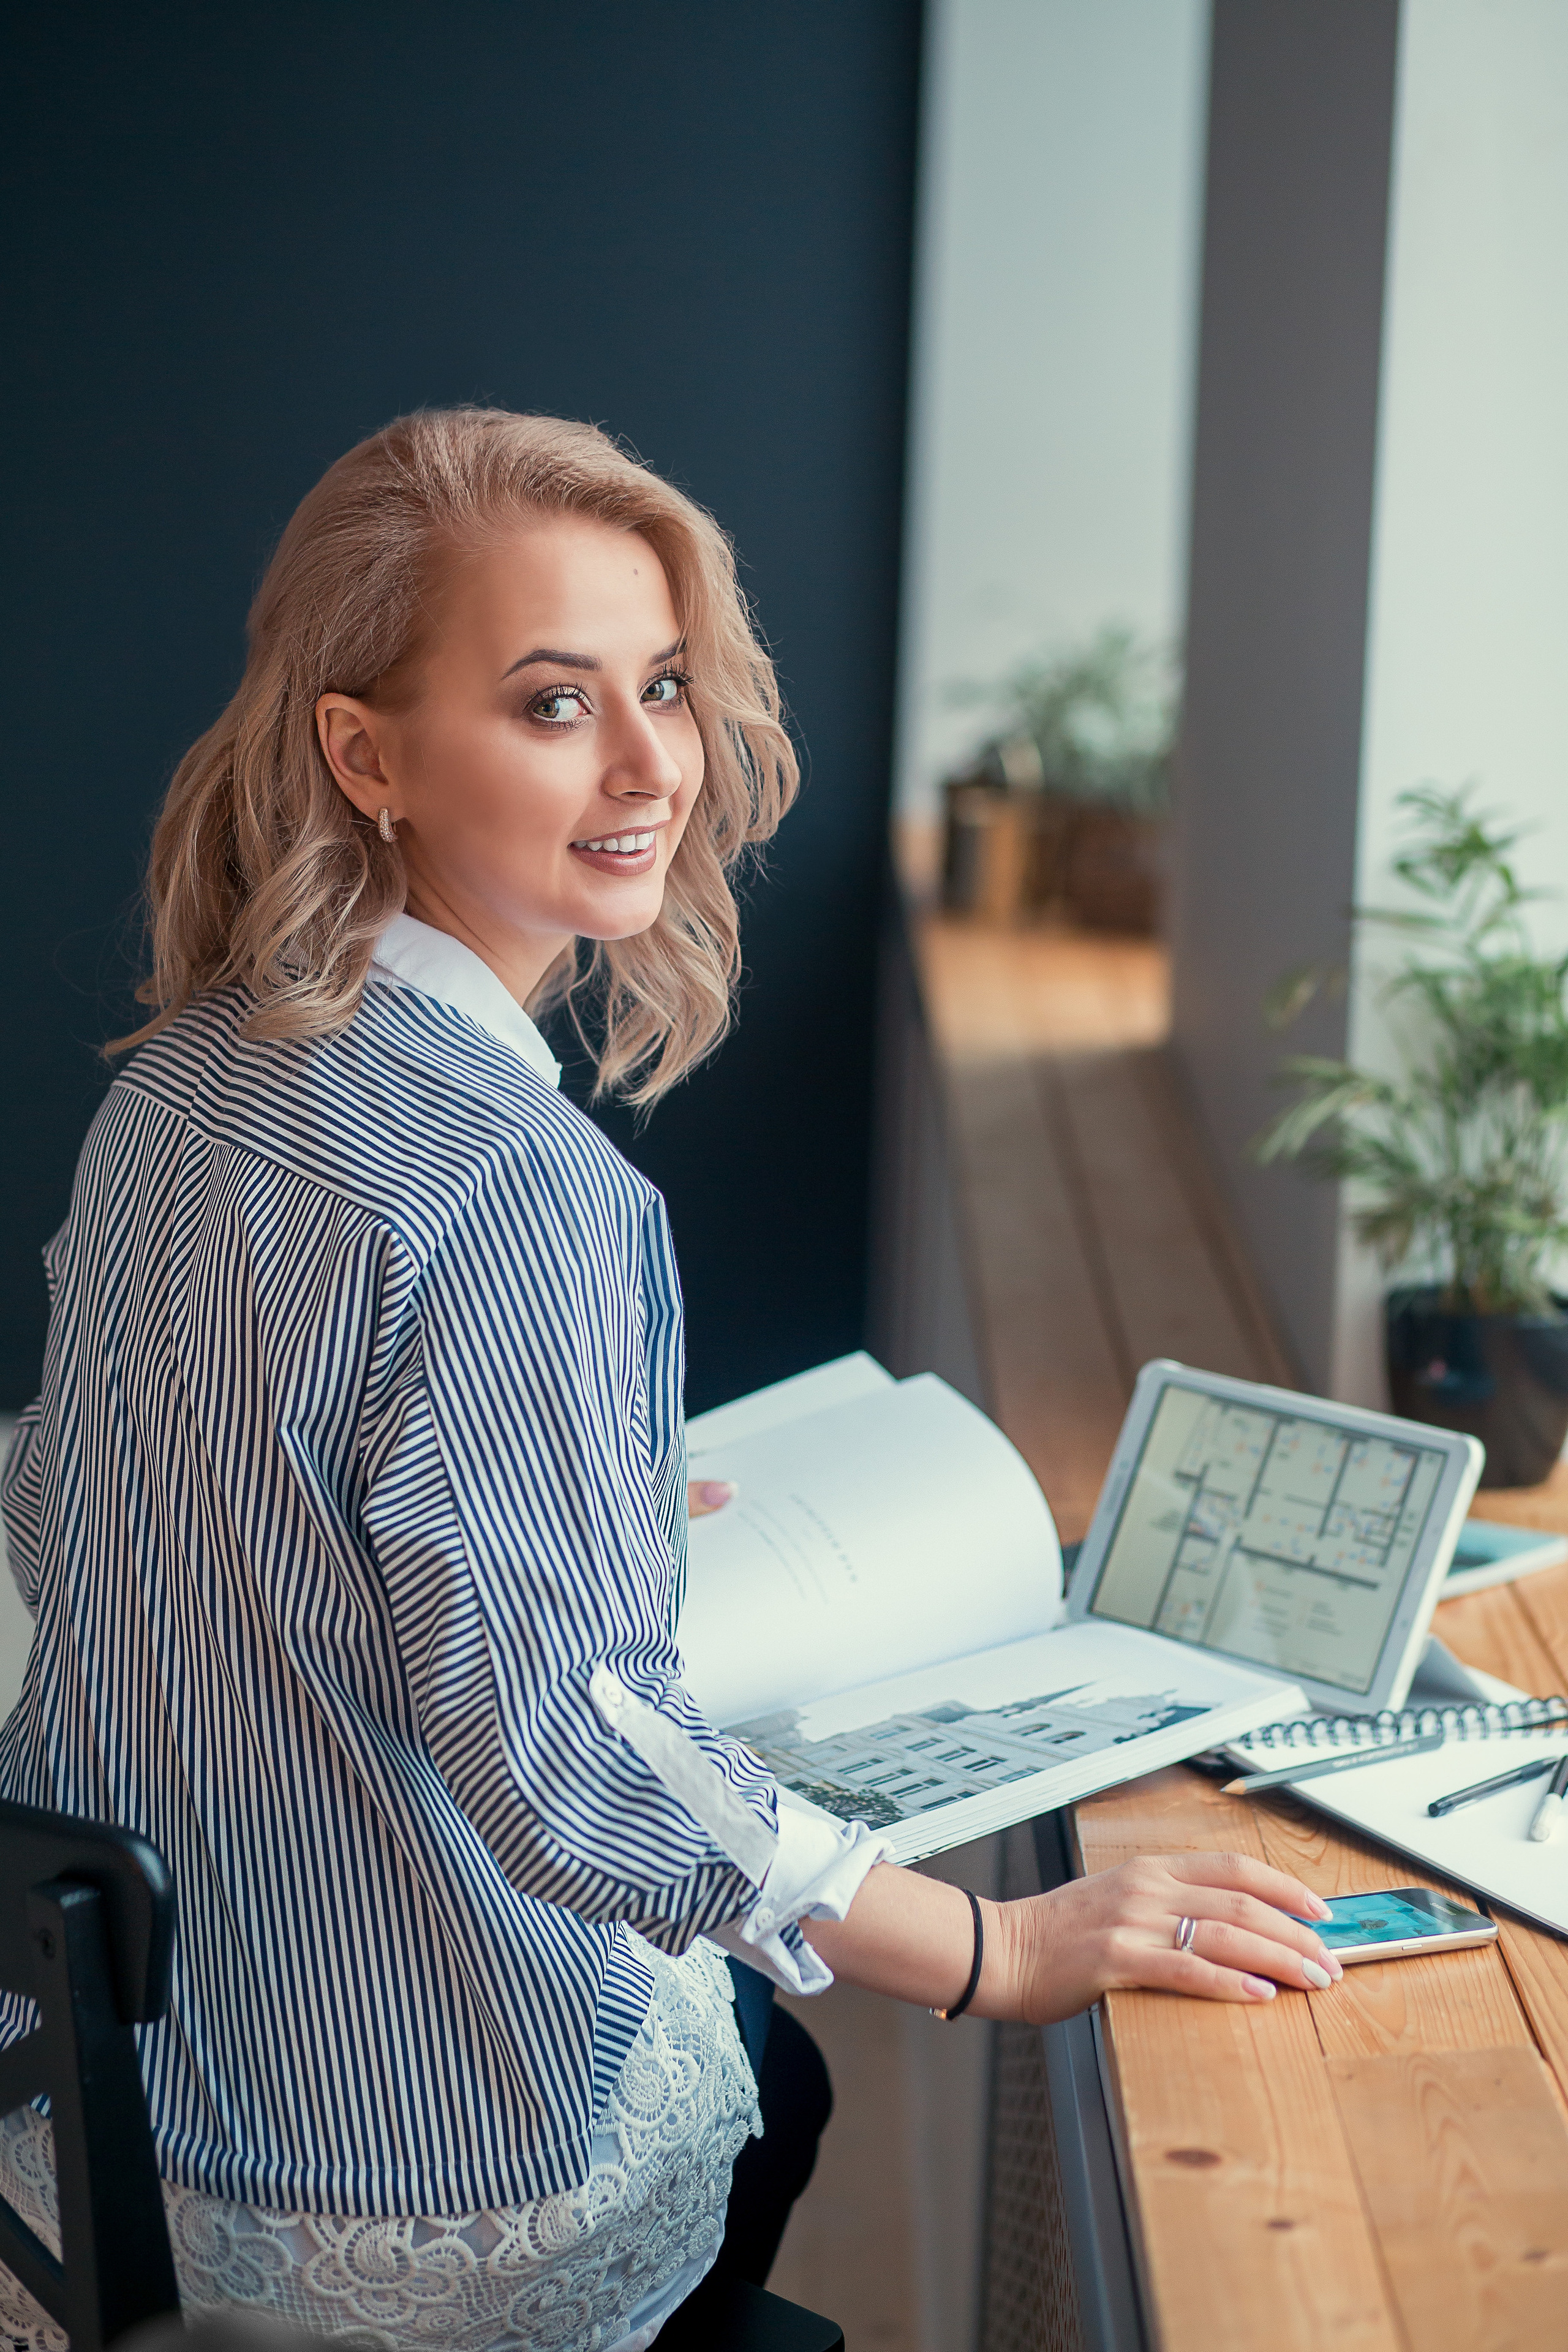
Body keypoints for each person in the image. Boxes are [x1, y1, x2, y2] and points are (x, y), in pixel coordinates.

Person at [0, 409, 1340, 2351]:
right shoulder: (516, 1192)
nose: (648, 767)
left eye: (665, 687)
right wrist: (996, 1944)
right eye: (555, 705)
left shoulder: (178, 1088)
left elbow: (85, 1490)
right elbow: (562, 1753)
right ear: (361, 753)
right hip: (404, 2169)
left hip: (102, 2126)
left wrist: (564, 1500)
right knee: (776, 2073)